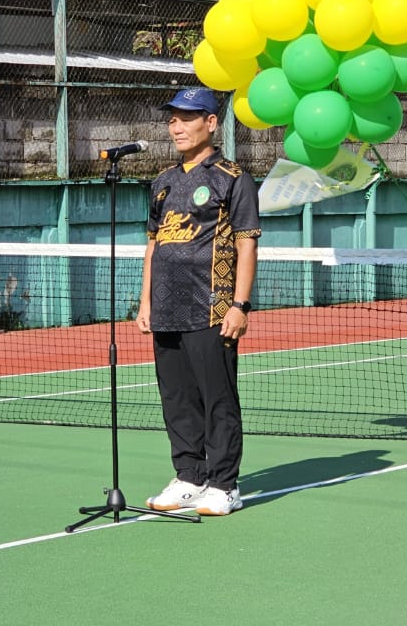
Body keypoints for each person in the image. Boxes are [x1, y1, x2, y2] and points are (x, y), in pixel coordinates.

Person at [136, 87, 261, 517]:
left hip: (212, 309)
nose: (177, 126)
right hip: (166, 309)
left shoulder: (232, 178)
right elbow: (154, 245)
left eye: (187, 117)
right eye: (172, 118)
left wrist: (239, 305)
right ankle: (189, 476)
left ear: (211, 123)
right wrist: (145, 303)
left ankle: (224, 484)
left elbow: (247, 245)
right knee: (177, 398)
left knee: (217, 399)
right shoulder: (162, 182)